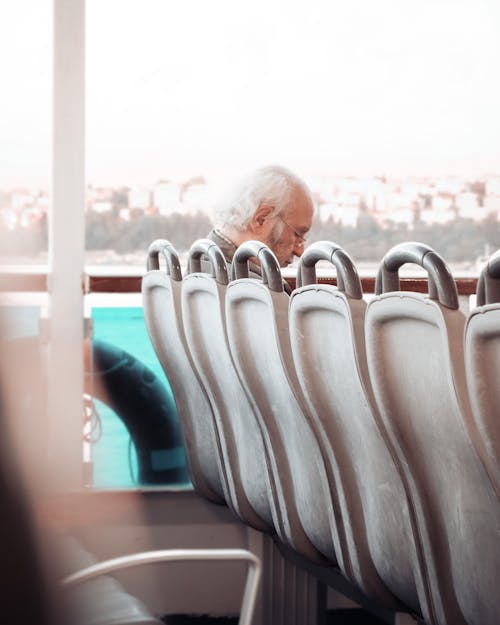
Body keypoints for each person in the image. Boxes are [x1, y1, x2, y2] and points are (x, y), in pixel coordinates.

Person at [207, 165, 314, 279]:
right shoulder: (256, 290)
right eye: (297, 234)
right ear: (261, 219)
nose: (300, 252)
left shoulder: (199, 265)